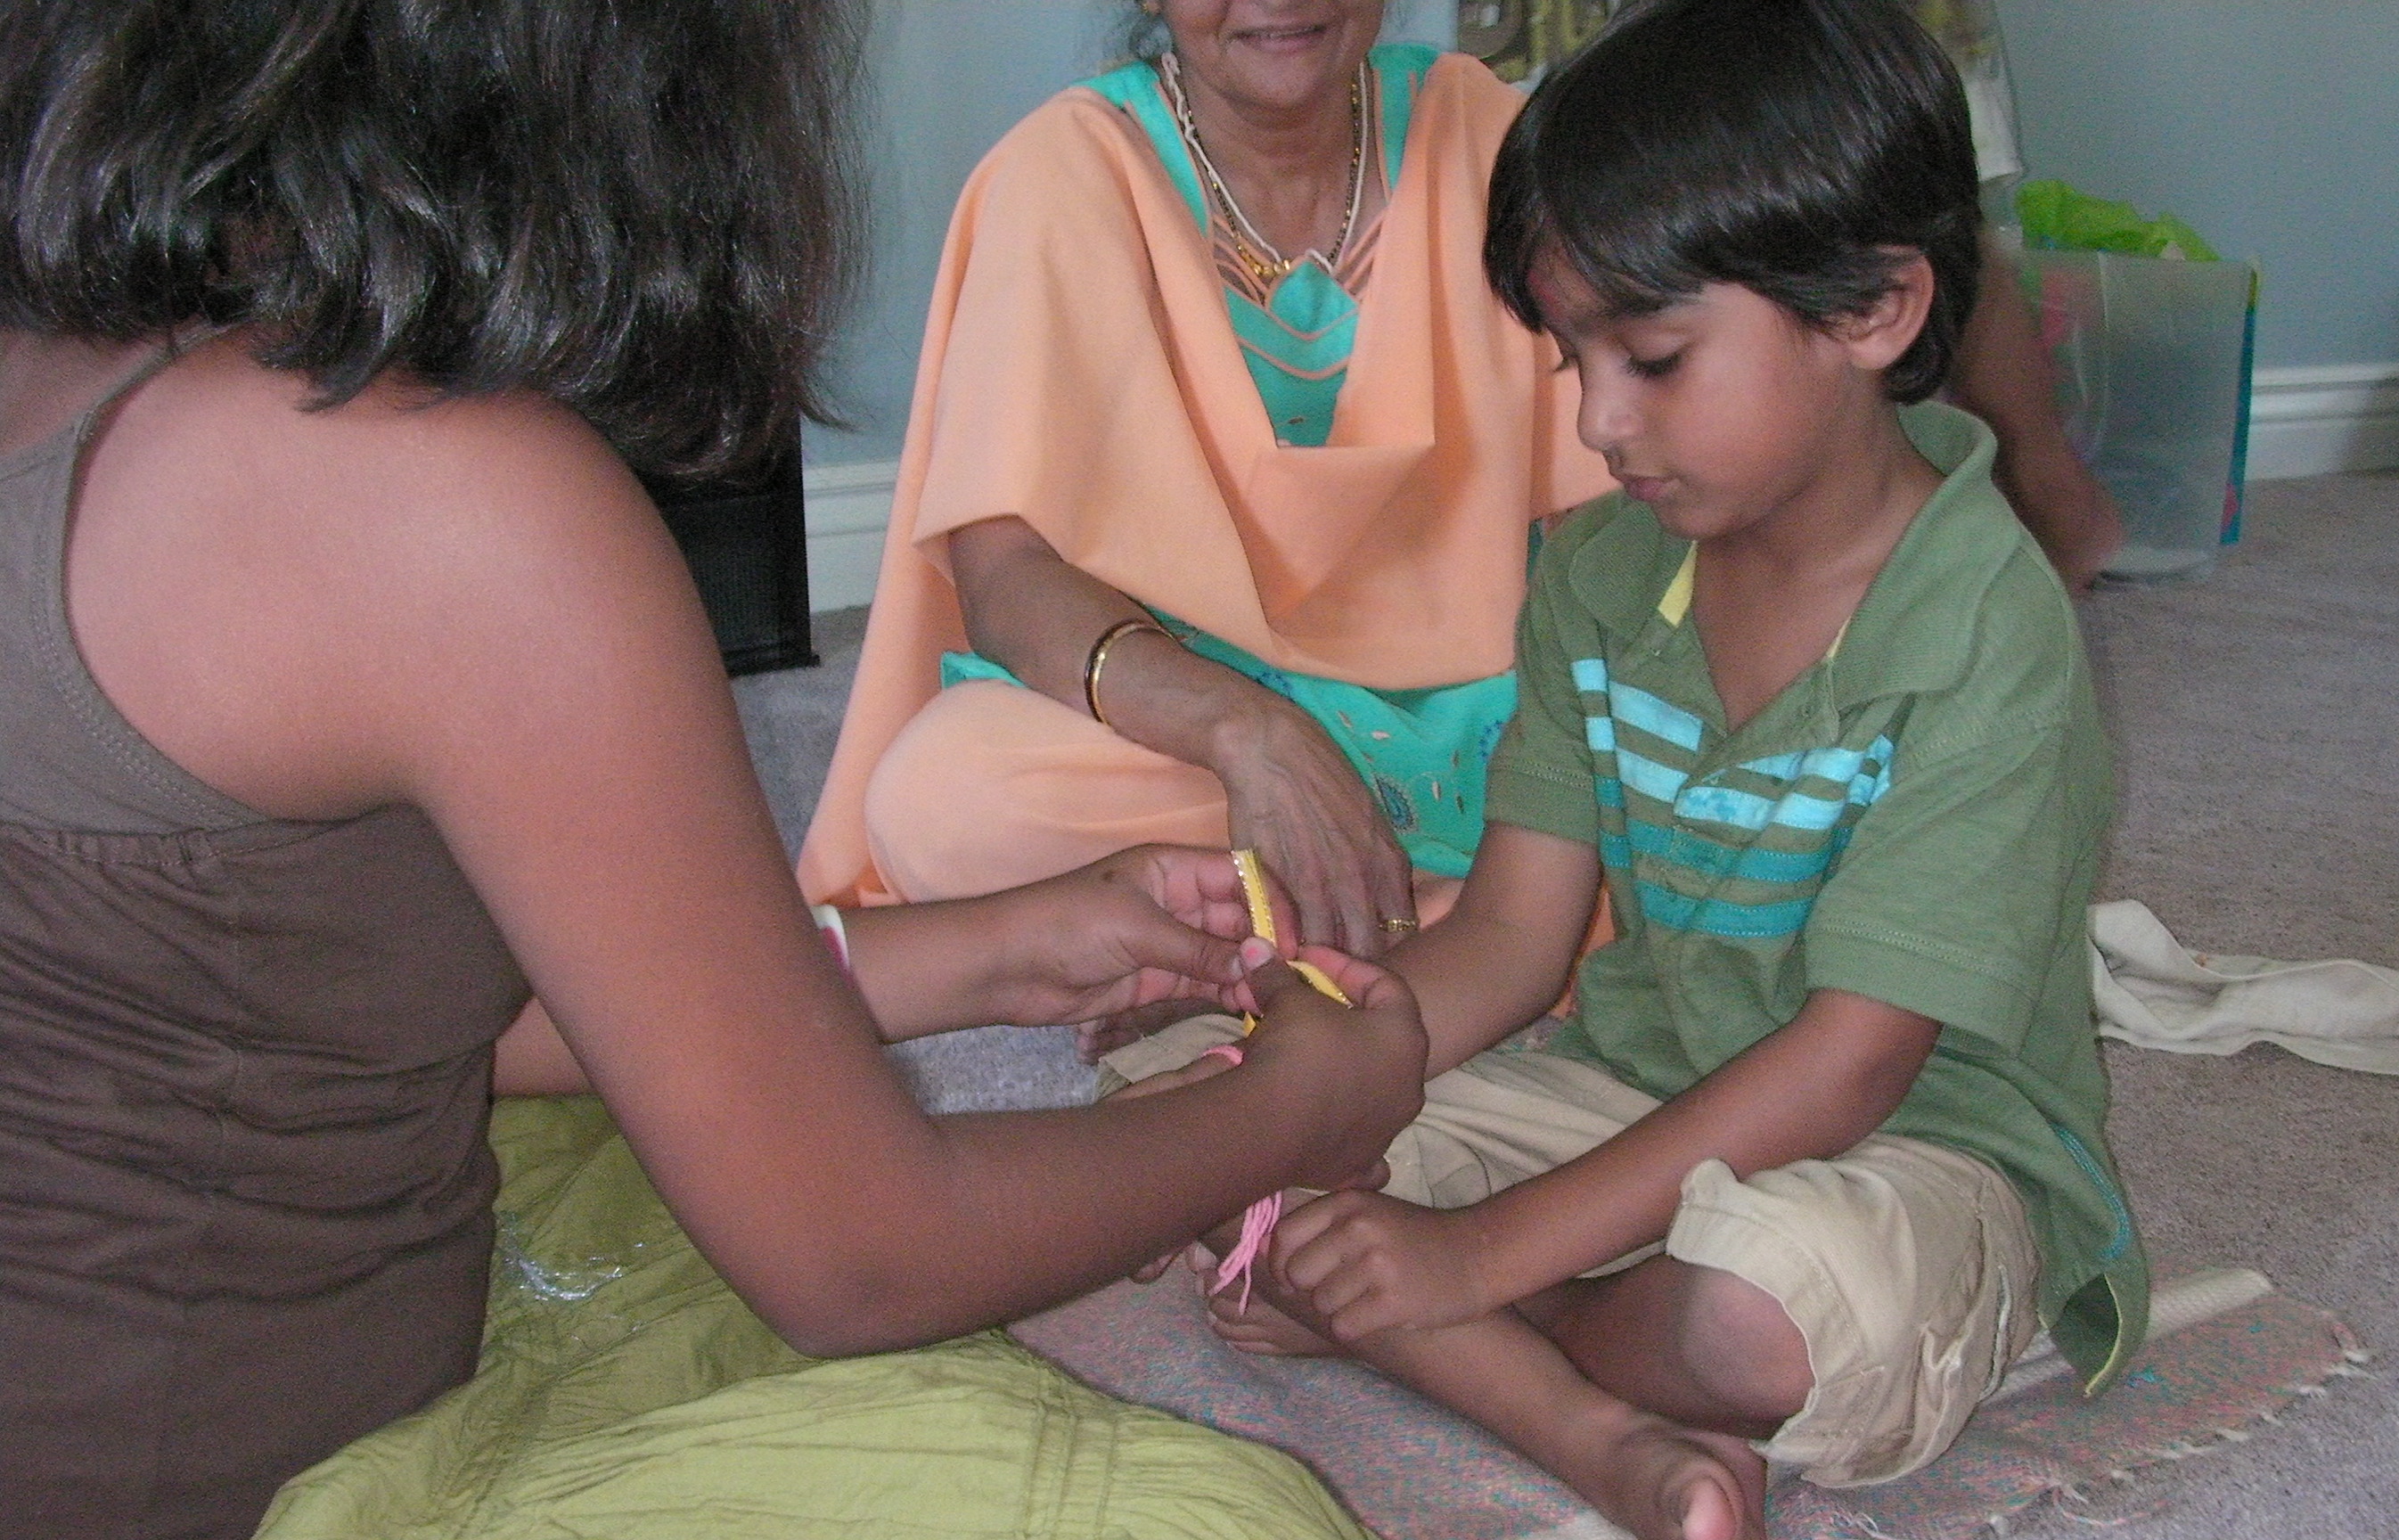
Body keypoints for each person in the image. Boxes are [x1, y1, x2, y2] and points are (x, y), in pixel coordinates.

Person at [0, 4, 1428, 1536]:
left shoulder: (79, 365)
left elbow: (345, 997)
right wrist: (1296, 1104)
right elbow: (861, 1254)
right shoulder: (432, 501)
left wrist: (989, 949)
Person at [1103, 3, 2149, 1536]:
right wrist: (1303, 1058)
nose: (1597, 421)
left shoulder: (1987, 627)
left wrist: (1477, 1255)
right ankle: (1598, 1424)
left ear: (1874, 309)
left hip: (1914, 1144)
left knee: (1758, 1318)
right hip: (1622, 1091)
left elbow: (1852, 1062)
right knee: (1195, 1119)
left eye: (1653, 358)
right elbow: (1510, 939)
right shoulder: (1600, 578)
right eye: (1572, 356)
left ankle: (1488, 1326)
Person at [796, 0, 1617, 989]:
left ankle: (1266, 948)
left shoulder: (1488, 136)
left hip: (1487, 715)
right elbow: (1005, 572)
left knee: (1688, 760)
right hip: (1186, 706)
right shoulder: (1066, 171)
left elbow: (1615, 507)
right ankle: (1488, 923)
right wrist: (1246, 732)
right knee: (946, 800)